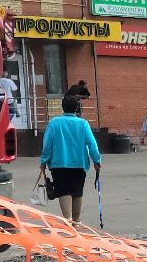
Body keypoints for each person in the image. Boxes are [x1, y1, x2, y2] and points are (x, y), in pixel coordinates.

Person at [38, 95, 102, 224]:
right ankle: (77, 221)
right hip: (79, 164)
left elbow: (48, 144)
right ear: (77, 108)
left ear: (62, 107)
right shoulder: (83, 124)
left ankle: (67, 220)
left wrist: (43, 161)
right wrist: (97, 160)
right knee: (77, 191)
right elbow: (92, 144)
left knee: (63, 190)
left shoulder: (54, 123)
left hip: (58, 163)